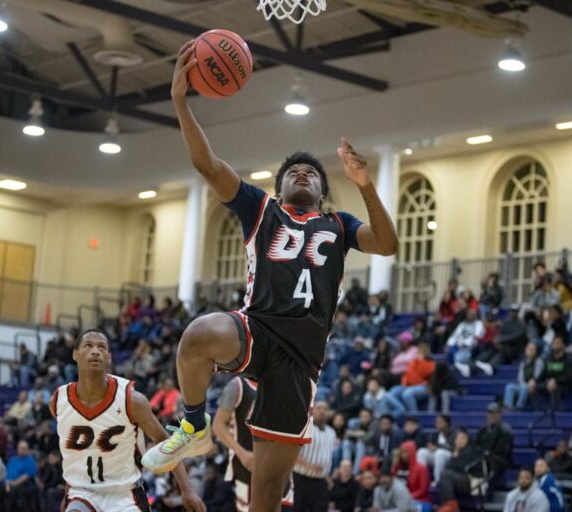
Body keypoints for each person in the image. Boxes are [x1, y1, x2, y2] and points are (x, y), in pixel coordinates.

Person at [142, 39, 398, 512]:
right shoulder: (260, 209)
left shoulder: (338, 225)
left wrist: (365, 186)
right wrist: (180, 101)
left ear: (322, 193)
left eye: (312, 173)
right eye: (293, 172)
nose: (303, 174)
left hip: (300, 362)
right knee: (198, 335)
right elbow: (208, 165)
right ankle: (194, 427)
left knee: (264, 496)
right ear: (279, 189)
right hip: (255, 329)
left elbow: (387, 244)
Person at [51, 330, 204, 512]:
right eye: (88, 346)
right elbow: (74, 456)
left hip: (125, 493)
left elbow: (166, 442)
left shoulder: (132, 400)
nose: (95, 351)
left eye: (102, 347)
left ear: (109, 357)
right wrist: (69, 493)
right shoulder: (58, 401)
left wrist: (187, 489)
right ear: (75, 354)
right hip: (82, 493)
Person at [212, 376, 292, 512]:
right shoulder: (239, 385)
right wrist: (242, 453)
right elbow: (218, 425)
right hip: (248, 466)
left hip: (279, 470)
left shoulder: (283, 387)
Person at [292, 401, 336, 511]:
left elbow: (326, 457)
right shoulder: (304, 428)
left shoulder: (332, 432)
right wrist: (309, 465)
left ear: (329, 413)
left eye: (325, 409)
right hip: (301, 480)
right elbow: (292, 454)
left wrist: (327, 476)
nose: (322, 411)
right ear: (312, 410)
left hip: (320, 482)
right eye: (319, 408)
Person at [435, 429, 484, 512]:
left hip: (472, 481)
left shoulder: (473, 450)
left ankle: (452, 507)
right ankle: (446, 505)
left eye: (462, 438)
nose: (459, 441)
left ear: (468, 439)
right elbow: (449, 468)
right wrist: (455, 454)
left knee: (445, 475)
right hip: (460, 480)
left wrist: (456, 456)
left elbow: (464, 469)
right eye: (458, 438)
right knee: (442, 479)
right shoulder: (457, 451)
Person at [0, 440, 37, 512]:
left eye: (23, 448)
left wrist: (14, 483)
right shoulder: (13, 459)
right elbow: (7, 473)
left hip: (22, 484)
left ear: (27, 450)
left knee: (12, 491)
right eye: (20, 448)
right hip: (8, 482)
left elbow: (26, 476)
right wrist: (5, 482)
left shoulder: (30, 461)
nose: (21, 450)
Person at [476, 403, 514, 477]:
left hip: (501, 460)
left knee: (492, 460)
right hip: (485, 458)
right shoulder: (482, 430)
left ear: (500, 414)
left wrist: (488, 453)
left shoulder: (505, 430)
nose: (492, 416)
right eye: (490, 413)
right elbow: (477, 446)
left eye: (495, 413)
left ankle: (487, 483)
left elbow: (504, 451)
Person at [503, 342, 544, 411]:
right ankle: (508, 407)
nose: (530, 351)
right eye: (529, 349)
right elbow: (520, 377)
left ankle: (519, 407)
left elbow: (538, 375)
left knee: (525, 387)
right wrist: (522, 384)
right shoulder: (523, 363)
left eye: (532, 349)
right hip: (524, 386)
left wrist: (533, 382)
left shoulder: (538, 362)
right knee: (509, 387)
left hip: (535, 385)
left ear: (536, 351)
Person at [540, 335, 572, 409]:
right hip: (550, 383)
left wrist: (556, 381)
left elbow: (570, 377)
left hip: (564, 386)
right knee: (534, 387)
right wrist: (534, 381)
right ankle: (537, 411)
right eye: (554, 343)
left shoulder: (569, 360)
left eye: (558, 343)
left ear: (563, 345)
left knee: (555, 388)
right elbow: (543, 374)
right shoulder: (548, 359)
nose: (556, 345)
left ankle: (556, 412)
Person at [416, 414, 454, 483]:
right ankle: (421, 479)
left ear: (447, 423)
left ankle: (438, 481)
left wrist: (437, 448)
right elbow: (433, 446)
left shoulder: (454, 433)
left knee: (440, 453)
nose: (437, 424)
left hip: (450, 456)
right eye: (436, 422)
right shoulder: (436, 435)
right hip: (438, 457)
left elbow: (453, 447)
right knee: (422, 451)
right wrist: (430, 447)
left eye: (440, 422)